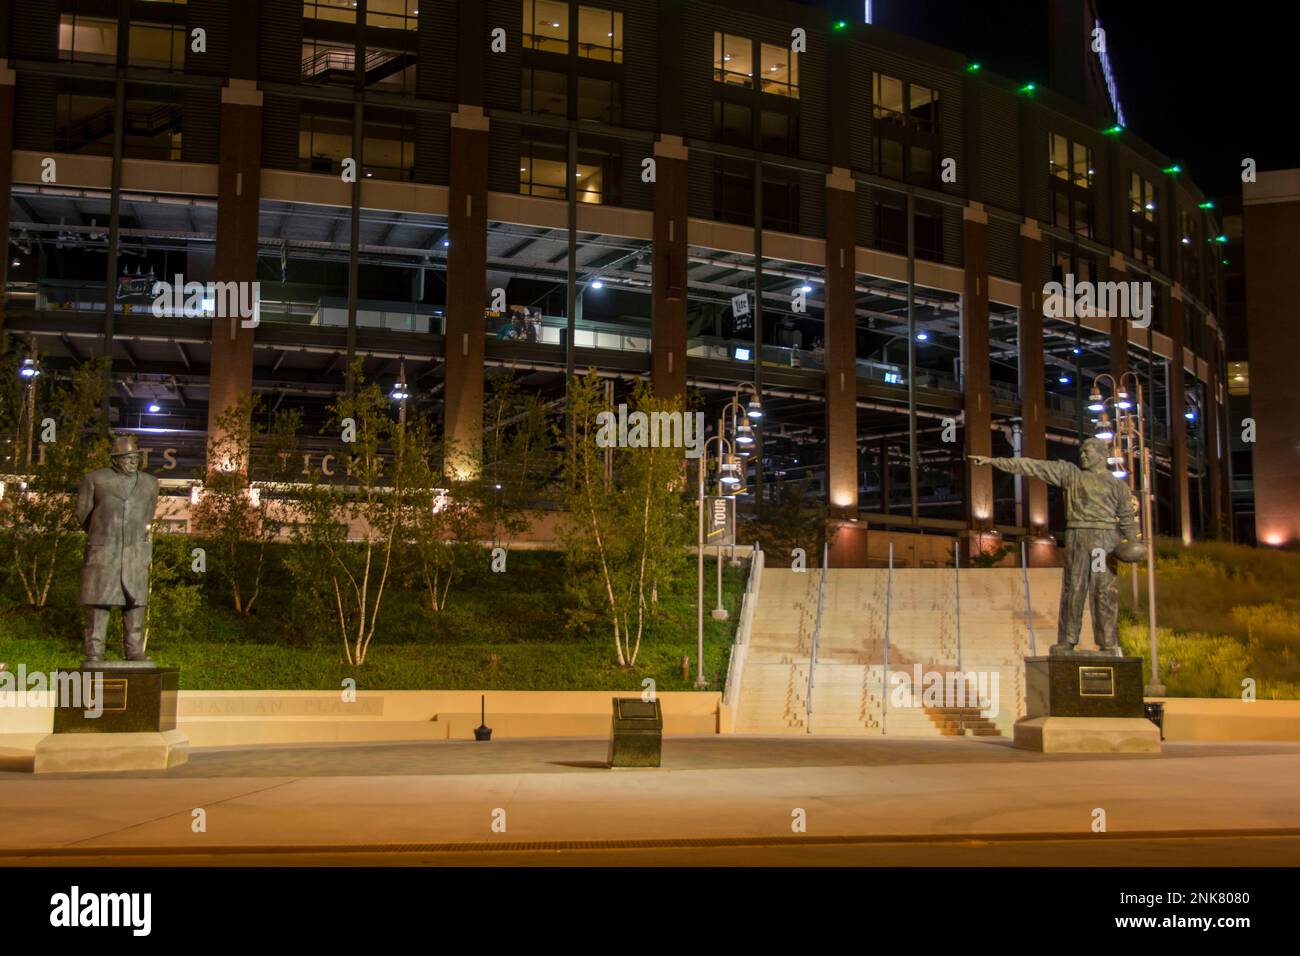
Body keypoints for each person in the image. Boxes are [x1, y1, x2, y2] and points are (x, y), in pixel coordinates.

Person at [970, 438, 1138, 655]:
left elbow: (1126, 518)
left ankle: (1107, 642)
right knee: (1074, 588)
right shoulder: (1071, 474)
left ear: (1101, 454)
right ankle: (1068, 639)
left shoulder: (1118, 487)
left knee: (1103, 590)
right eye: (1082, 452)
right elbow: (1033, 466)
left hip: (1103, 543)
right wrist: (993, 461)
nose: (1083, 456)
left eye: (1087, 452)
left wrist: (1133, 541)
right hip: (1078, 536)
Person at [77, 435, 161, 665]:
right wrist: (105, 533)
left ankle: (134, 651)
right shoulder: (95, 480)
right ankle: (94, 652)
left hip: (135, 552)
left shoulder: (150, 483)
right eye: (126, 457)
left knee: (135, 604)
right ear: (115, 460)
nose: (132, 461)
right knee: (98, 603)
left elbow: (148, 515)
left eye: (135, 457)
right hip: (104, 551)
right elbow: (82, 516)